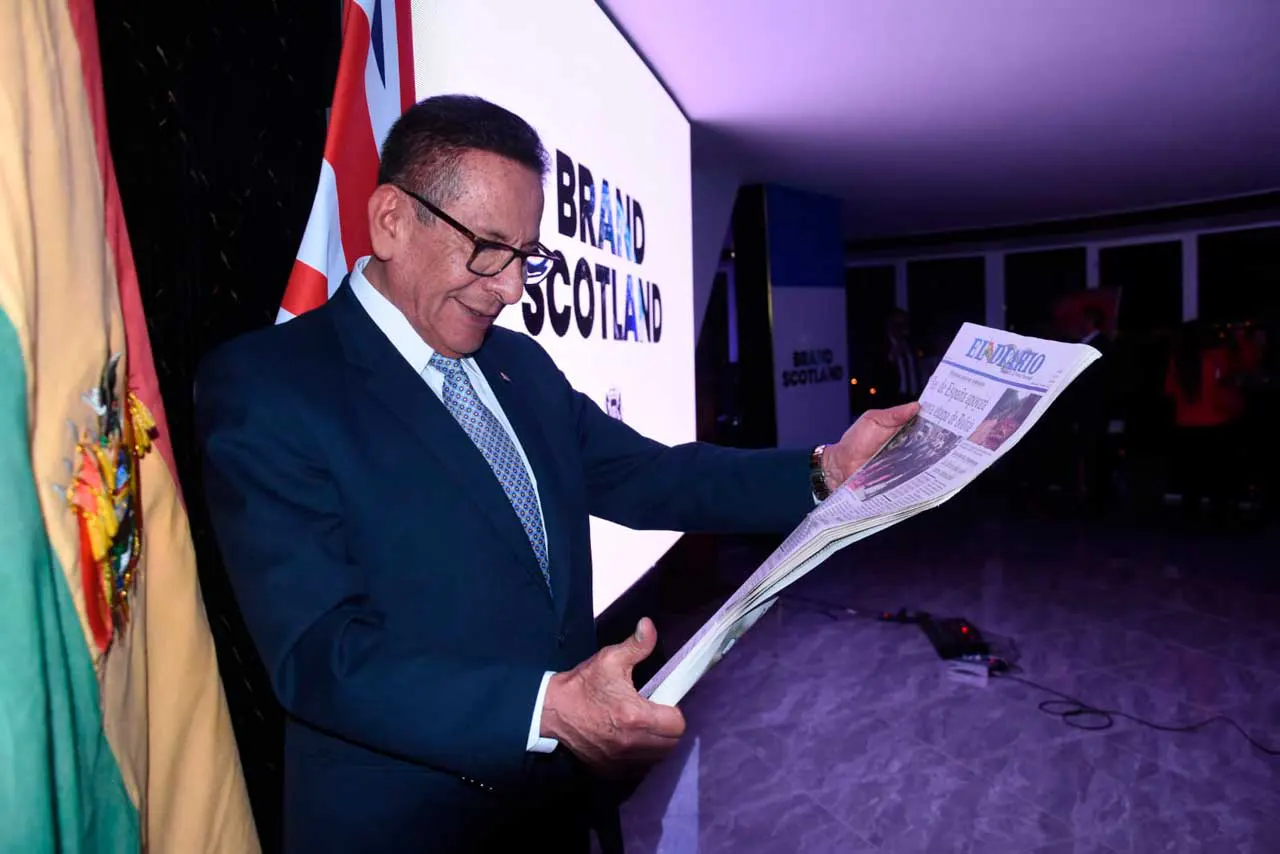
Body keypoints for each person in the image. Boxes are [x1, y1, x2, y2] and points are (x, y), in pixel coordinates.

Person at [194, 95, 917, 854]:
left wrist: (828, 469)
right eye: (488, 249)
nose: (511, 289)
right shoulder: (271, 386)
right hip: (408, 824)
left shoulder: (520, 365)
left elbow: (650, 475)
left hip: (560, 810)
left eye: (526, 256)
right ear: (391, 221)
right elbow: (319, 653)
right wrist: (545, 708)